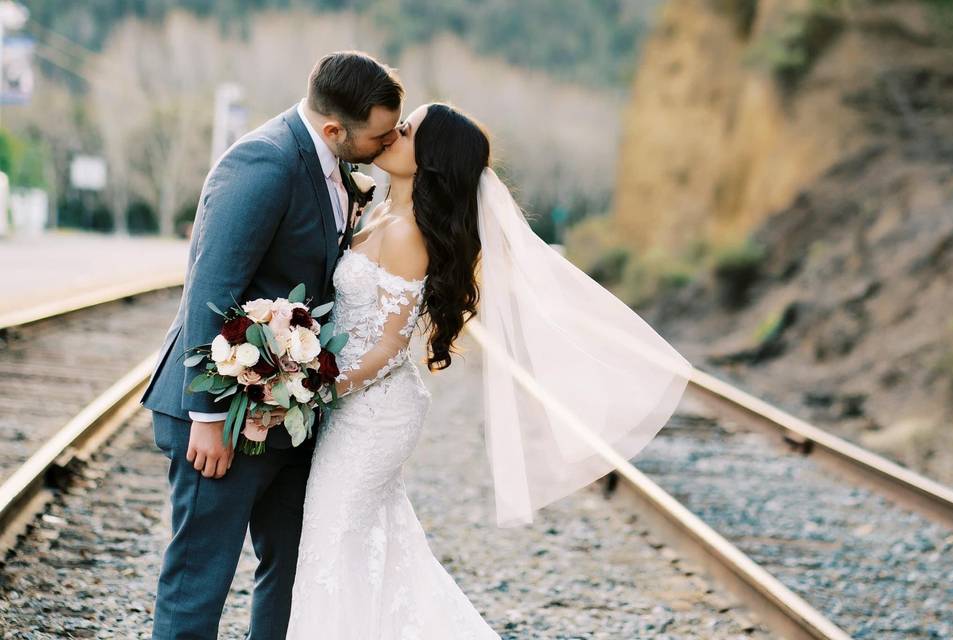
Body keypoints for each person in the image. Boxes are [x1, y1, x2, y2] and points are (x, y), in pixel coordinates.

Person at [282, 102, 692, 637]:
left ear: (428, 160)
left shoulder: (408, 234)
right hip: (352, 407)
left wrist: (315, 386)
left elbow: (388, 344)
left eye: (405, 131)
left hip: (373, 413)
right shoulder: (378, 208)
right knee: (360, 545)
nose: (391, 134)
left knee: (332, 542)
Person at [139, 51, 404, 640]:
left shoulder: (335, 165)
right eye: (380, 134)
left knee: (290, 577)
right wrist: (207, 416)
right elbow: (212, 287)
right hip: (222, 415)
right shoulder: (264, 161)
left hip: (290, 415)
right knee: (199, 579)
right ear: (336, 130)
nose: (389, 144)